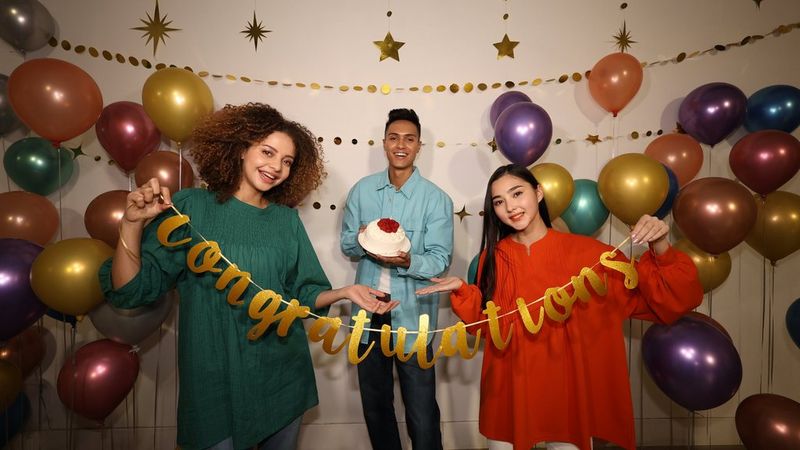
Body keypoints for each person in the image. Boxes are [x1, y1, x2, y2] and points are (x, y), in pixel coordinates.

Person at [99, 103, 398, 450]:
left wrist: (345, 291)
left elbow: (302, 293)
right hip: (214, 378)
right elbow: (132, 290)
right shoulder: (192, 206)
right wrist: (132, 223)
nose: (276, 167)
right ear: (241, 148)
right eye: (268, 152)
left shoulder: (286, 221)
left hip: (283, 377)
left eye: (287, 162)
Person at [416, 163, 703, 450]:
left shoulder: (590, 255)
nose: (510, 207)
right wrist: (464, 293)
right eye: (499, 202)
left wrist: (662, 246)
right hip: (509, 389)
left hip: (566, 391)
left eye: (517, 194)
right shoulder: (492, 259)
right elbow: (489, 329)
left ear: (538, 193)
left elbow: (669, 298)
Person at [340, 108, 454, 450]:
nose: (400, 145)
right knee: (375, 407)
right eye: (394, 138)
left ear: (419, 146)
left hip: (414, 316)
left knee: (420, 408)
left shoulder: (436, 200)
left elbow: (440, 260)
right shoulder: (362, 191)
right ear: (384, 143)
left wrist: (407, 260)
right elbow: (347, 244)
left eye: (409, 138)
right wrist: (363, 239)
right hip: (367, 312)